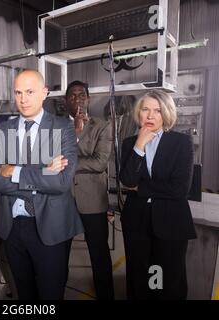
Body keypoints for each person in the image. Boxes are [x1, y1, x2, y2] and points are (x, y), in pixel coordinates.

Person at [0, 70, 84, 300]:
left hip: (51, 226)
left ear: (44, 93)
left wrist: (15, 171)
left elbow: (60, 182)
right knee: (25, 292)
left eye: (29, 92)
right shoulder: (1, 131)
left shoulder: (63, 128)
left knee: (51, 294)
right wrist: (43, 173)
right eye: (18, 92)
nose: (23, 99)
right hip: (13, 226)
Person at [119, 89, 196, 300]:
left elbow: (180, 189)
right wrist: (140, 145)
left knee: (167, 280)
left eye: (157, 111)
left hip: (171, 221)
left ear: (166, 113)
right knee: (139, 277)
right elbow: (127, 180)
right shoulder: (129, 143)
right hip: (137, 221)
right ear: (139, 113)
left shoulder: (181, 143)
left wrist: (141, 189)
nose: (151, 116)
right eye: (145, 110)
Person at [65, 80, 115, 300]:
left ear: (88, 98)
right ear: (66, 100)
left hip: (93, 199)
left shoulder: (103, 125)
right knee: (58, 253)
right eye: (73, 96)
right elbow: (50, 159)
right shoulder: (57, 127)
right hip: (63, 199)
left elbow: (100, 163)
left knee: (99, 254)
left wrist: (67, 160)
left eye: (82, 95)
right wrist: (74, 132)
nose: (78, 99)